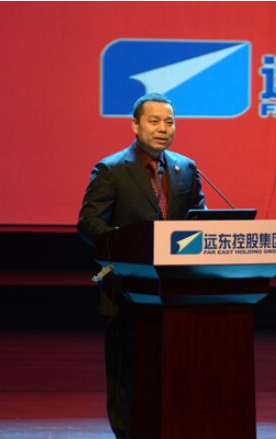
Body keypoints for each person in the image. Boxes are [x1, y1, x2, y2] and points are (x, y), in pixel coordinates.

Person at [77, 93, 206, 438]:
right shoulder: (111, 169)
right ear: (135, 125)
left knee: (175, 370)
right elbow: (89, 223)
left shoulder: (186, 169)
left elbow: (200, 222)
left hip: (177, 291)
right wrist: (128, 245)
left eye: (170, 122)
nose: (163, 129)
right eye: (154, 121)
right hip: (128, 290)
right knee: (128, 373)